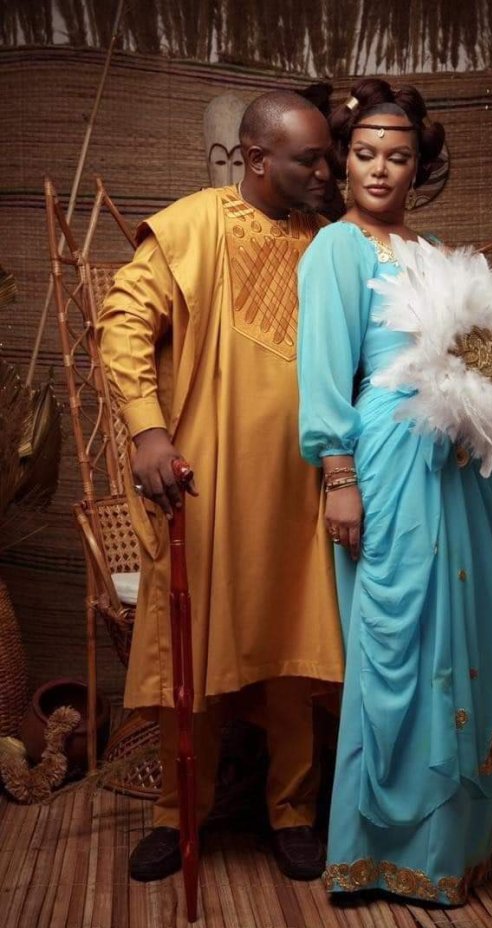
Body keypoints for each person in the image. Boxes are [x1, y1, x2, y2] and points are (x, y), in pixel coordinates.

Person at [97, 90, 344, 884]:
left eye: (328, 156)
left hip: (302, 488)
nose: (327, 170)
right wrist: (148, 430)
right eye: (310, 158)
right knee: (190, 649)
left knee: (297, 646)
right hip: (205, 486)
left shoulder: (326, 241)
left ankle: (293, 812)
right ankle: (178, 815)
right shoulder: (192, 225)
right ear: (256, 158)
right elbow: (122, 324)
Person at [297, 78, 492, 905]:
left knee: (463, 640)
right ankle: (376, 851)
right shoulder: (336, 249)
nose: (379, 170)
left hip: (454, 466)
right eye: (365, 154)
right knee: (395, 644)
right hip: (387, 464)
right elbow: (325, 370)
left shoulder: (430, 251)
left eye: (397, 157)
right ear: (342, 161)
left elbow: (471, 350)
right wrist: (339, 477)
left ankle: (445, 856)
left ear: (417, 167)